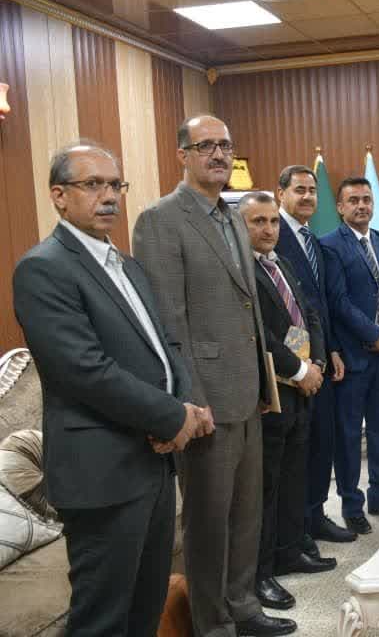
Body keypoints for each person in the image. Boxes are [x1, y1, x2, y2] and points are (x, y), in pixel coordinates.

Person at [13, 142, 212, 637]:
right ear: (59, 196)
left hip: (154, 464)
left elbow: (166, 344)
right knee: (102, 621)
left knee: (145, 610)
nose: (108, 196)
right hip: (102, 472)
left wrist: (183, 405)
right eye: (92, 184)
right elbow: (84, 370)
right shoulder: (43, 268)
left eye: (114, 185)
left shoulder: (126, 264)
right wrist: (172, 417)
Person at [133, 115, 293, 637]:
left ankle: (243, 606)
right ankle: (214, 623)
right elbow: (168, 323)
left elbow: (250, 312)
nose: (219, 154)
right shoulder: (160, 220)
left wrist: (266, 385)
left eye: (225, 145)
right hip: (205, 398)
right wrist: (190, 400)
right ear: (183, 155)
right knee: (207, 522)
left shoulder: (232, 216)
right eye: (206, 146)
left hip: (248, 393)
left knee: (246, 514)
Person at [239, 192, 337, 616]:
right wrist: (299, 370)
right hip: (272, 391)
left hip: (302, 386)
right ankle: (262, 573)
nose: (268, 229)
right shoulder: (242, 272)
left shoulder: (282, 263)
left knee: (295, 475)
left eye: (273, 222)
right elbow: (260, 334)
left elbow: (309, 314)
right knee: (267, 487)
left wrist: (316, 363)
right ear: (239, 226)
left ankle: (289, 550)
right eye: (258, 222)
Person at [321, 177, 379, 532]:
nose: (361, 205)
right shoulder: (330, 245)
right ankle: (351, 505)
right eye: (353, 200)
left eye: (366, 199)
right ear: (340, 207)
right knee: (348, 436)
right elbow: (338, 301)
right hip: (353, 357)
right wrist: (374, 334)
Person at [274, 165, 355, 545]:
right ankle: (296, 526)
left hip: (320, 354)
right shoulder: (272, 233)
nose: (307, 197)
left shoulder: (313, 239)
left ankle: (315, 512)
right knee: (298, 447)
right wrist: (301, 363)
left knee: (323, 438)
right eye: (299, 190)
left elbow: (320, 304)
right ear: (281, 194)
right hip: (288, 361)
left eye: (312, 191)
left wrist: (330, 350)